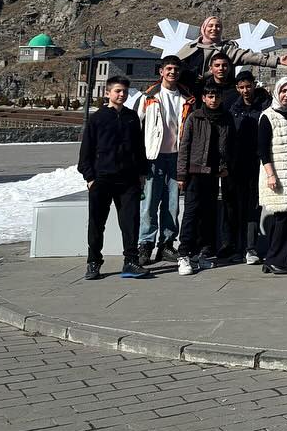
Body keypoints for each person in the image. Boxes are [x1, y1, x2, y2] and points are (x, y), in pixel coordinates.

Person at [78, 76, 149, 280]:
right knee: (97, 223)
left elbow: (139, 148)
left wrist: (141, 173)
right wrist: (90, 177)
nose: (122, 95)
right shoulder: (97, 118)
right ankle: (93, 262)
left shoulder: (132, 117)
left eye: (125, 91)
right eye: (118, 91)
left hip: (128, 180)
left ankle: (131, 261)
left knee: (130, 222)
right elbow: (86, 152)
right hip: (102, 178)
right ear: (107, 93)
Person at [132, 55, 191, 265]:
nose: (172, 72)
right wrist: (138, 157)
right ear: (161, 71)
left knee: (172, 204)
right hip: (153, 157)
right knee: (149, 203)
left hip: (176, 156)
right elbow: (135, 125)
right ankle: (145, 244)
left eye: (176, 69)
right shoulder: (149, 96)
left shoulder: (187, 97)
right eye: (169, 69)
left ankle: (166, 244)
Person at [176, 81, 233, 275]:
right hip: (195, 173)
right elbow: (184, 146)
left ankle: (199, 254)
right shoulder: (195, 117)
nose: (214, 99)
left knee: (208, 215)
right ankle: (183, 253)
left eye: (216, 96)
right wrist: (181, 174)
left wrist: (225, 167)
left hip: (213, 173)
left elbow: (229, 146)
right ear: (203, 98)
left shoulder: (226, 118)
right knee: (191, 213)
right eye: (210, 96)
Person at [257, 80, 287, 275]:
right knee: (282, 218)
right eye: (283, 91)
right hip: (278, 174)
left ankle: (275, 259)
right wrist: (271, 175)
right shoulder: (267, 116)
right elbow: (262, 149)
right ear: (277, 93)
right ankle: (275, 260)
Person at [224, 70, 269, 264]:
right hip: (235, 165)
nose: (245, 90)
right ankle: (236, 247)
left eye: (248, 86)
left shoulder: (264, 106)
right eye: (241, 87)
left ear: (254, 85)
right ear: (237, 88)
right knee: (235, 207)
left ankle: (250, 248)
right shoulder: (232, 108)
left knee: (253, 207)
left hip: (257, 164)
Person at [183, 14, 287, 89]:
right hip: (188, 91)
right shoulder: (191, 46)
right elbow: (174, 63)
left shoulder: (227, 49)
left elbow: (250, 56)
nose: (214, 29)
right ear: (204, 28)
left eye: (218, 26)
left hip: (217, 93)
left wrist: (277, 60)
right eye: (210, 26)